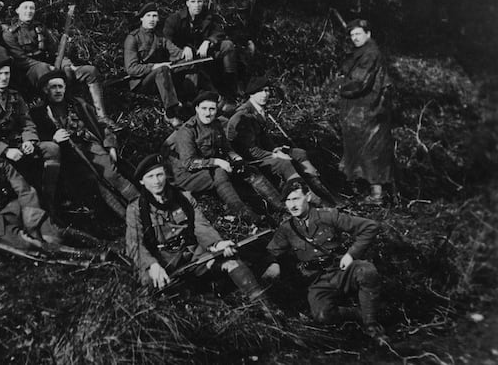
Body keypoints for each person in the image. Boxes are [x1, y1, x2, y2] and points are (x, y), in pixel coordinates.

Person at [125, 154, 270, 306]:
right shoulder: (136, 209)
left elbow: (200, 225)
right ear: (142, 181)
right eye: (150, 177)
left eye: (160, 174)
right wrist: (152, 265)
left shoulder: (183, 197)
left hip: (194, 255)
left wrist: (216, 244)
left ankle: (266, 308)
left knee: (231, 261)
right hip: (164, 262)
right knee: (152, 287)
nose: (156, 181)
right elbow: (134, 244)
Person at [262, 179, 388, 344]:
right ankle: (361, 312)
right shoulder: (287, 229)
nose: (292, 205)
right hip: (316, 279)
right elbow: (272, 251)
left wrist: (351, 254)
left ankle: (371, 325)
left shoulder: (327, 216)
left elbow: (370, 226)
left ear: (307, 197)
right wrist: (274, 263)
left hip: (342, 270)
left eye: (296, 199)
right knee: (322, 315)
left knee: (367, 271)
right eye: (288, 201)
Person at [163, 91, 284, 227]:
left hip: (209, 168)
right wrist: (216, 161)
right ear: (197, 109)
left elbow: (226, 147)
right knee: (220, 172)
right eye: (204, 109)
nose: (208, 113)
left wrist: (236, 158)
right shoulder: (187, 131)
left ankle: (281, 206)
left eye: (212, 109)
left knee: (249, 169)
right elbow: (189, 163)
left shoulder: (216, 124)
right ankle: (245, 215)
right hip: (186, 176)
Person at [30, 70, 139, 219]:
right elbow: (37, 140)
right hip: (69, 158)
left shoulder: (78, 104)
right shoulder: (39, 114)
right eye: (53, 87)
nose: (58, 91)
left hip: (91, 147)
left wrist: (111, 145)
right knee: (96, 185)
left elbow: (100, 124)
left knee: (112, 174)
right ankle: (128, 219)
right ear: (45, 90)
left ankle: (144, 208)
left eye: (60, 87)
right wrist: (53, 139)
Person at [2, 0, 117, 129]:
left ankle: (102, 116)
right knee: (43, 69)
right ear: (17, 10)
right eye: (25, 8)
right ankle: (58, 117)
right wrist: (48, 68)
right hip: (30, 73)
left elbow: (57, 51)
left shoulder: (40, 29)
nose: (29, 11)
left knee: (90, 71)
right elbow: (22, 60)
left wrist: (67, 65)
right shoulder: (10, 34)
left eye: (32, 8)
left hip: (53, 68)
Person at [226, 76, 341, 206]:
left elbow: (264, 137)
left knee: (300, 153)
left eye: (267, 90)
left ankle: (324, 193)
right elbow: (250, 150)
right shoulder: (243, 116)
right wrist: (275, 155)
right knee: (284, 163)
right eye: (260, 91)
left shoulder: (258, 110)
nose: (265, 94)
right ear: (251, 94)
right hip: (250, 159)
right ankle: (315, 200)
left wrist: (275, 148)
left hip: (262, 152)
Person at [0, 56, 60, 214]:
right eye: (0, 74)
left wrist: (29, 141)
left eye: (7, 74)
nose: (4, 78)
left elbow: (26, 122)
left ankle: (49, 199)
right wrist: (5, 150)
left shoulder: (15, 96)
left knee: (52, 149)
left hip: (19, 144)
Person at [124, 2, 214, 127]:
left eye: (154, 16)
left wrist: (186, 50)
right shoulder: (133, 38)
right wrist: (154, 67)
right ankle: (170, 113)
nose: (152, 19)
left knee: (190, 63)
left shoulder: (159, 37)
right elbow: (131, 69)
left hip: (162, 77)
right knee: (162, 69)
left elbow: (176, 53)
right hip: (143, 82)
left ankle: (189, 99)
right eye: (148, 16)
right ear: (141, 18)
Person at [337, 19, 394, 205]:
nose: (355, 38)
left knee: (370, 150)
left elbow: (360, 82)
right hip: (365, 109)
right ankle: (367, 190)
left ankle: (376, 195)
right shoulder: (364, 52)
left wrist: (339, 86)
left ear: (368, 34)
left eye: (358, 34)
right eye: (352, 35)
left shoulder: (370, 53)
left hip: (367, 110)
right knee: (365, 149)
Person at [163, 0, 249, 102]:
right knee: (192, 81)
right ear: (187, 3)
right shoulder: (174, 19)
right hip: (183, 57)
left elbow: (219, 32)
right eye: (193, 2)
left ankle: (231, 84)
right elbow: (167, 41)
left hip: (204, 53)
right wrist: (183, 48)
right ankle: (192, 100)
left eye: (200, 1)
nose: (197, 5)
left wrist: (208, 41)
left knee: (227, 45)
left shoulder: (208, 15)